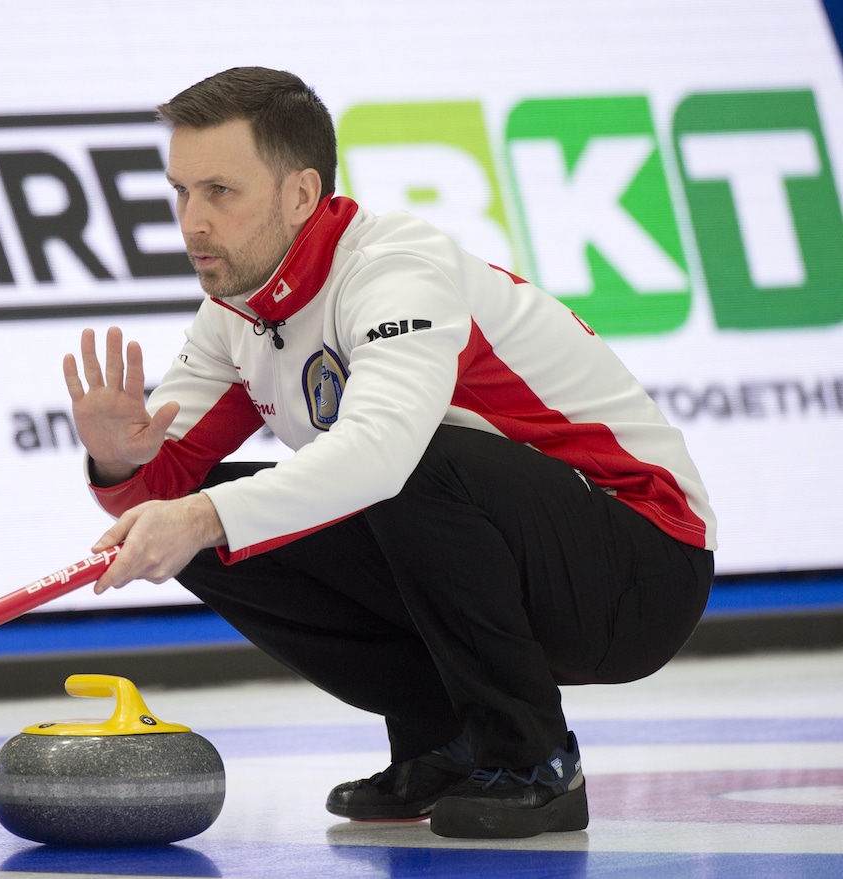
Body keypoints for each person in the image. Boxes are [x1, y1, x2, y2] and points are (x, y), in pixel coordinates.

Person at [61, 67, 715, 839]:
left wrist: (201, 514)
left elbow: (381, 455)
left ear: (301, 195)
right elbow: (169, 485)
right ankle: (446, 739)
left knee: (402, 465)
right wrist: (119, 463)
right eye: (181, 192)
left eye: (220, 192)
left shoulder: (395, 267)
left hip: (642, 563)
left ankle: (534, 758)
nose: (192, 222)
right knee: (200, 531)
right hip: (520, 550)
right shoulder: (235, 313)